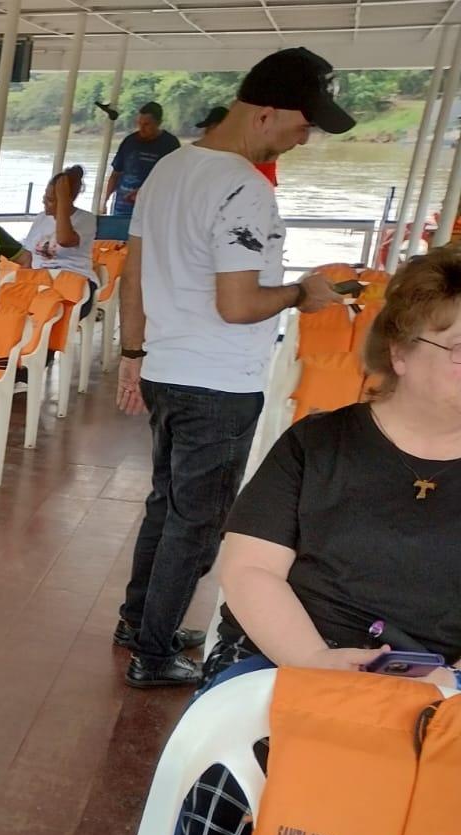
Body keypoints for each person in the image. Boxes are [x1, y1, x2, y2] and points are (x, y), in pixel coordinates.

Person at [175, 247, 461, 835]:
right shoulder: (320, 445)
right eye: (459, 347)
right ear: (403, 351)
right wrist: (319, 670)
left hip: (443, 690)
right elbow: (249, 571)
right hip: (298, 654)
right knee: (230, 769)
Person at [115, 48, 350, 688]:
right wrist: (305, 292)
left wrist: (133, 354)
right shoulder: (246, 187)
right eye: (304, 127)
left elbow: (131, 275)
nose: (305, 140)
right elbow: (239, 303)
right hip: (219, 383)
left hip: (167, 369)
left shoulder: (167, 168)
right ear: (266, 114)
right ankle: (154, 654)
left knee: (165, 505)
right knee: (195, 526)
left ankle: (140, 622)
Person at [18, 164, 97, 312]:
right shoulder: (41, 218)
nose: (44, 202)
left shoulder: (86, 219)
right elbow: (28, 256)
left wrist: (63, 203)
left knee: (48, 310)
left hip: (75, 282)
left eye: (50, 200)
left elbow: (64, 240)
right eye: (45, 197)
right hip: (41, 280)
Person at [103, 102, 181, 218]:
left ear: (158, 123)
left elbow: (174, 179)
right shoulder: (129, 141)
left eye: (146, 125)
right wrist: (105, 200)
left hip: (152, 209)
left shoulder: (170, 144)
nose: (141, 128)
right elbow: (116, 173)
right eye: (139, 124)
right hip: (122, 208)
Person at [196, 105, 279, 186]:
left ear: (217, 127)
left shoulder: (240, 153)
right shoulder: (252, 148)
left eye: (208, 128)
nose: (205, 133)